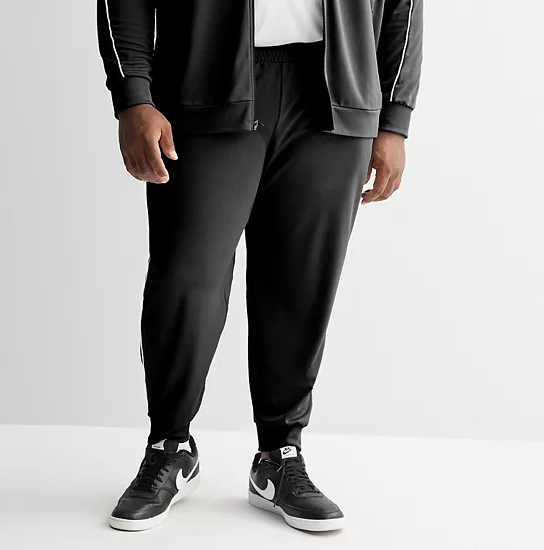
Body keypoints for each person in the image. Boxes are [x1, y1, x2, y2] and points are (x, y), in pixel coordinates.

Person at [97, 0, 423, 533]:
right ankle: (169, 444)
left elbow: (404, 7)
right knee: (187, 277)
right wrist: (133, 94)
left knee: (301, 283)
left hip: (335, 92)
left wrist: (395, 118)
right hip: (205, 78)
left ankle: (279, 455)